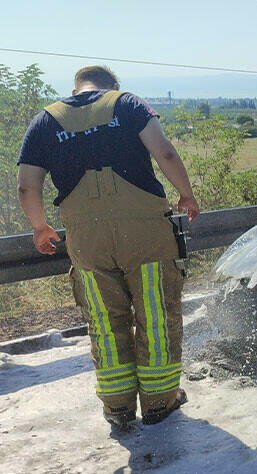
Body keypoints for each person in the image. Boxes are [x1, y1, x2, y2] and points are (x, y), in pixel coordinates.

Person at [17, 65, 200, 427]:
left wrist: (40, 227)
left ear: (75, 89)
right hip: (144, 232)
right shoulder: (127, 103)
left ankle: (117, 407)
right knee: (156, 315)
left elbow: (26, 187)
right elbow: (163, 152)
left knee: (104, 319)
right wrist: (186, 194)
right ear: (112, 86)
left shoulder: (45, 121)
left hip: (87, 239)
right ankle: (159, 402)